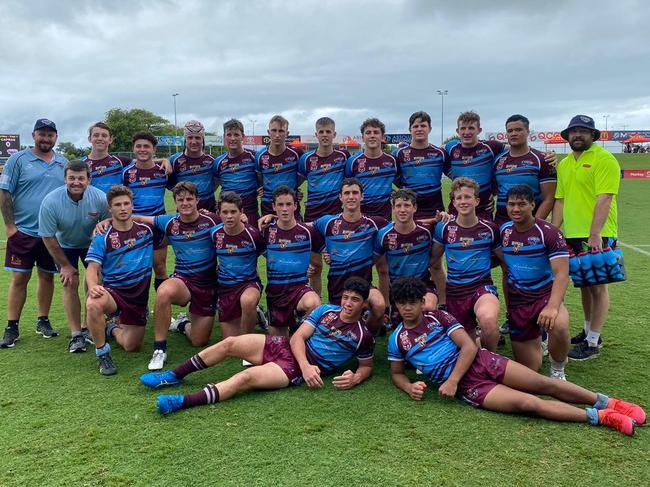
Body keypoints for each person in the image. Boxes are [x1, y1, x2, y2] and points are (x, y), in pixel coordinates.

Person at [387, 276, 644, 436]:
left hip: (480, 361)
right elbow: (397, 373)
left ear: (422, 302)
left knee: (545, 383)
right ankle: (601, 417)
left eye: (412, 302)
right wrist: (409, 387)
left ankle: (609, 403)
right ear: (396, 305)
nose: (407, 308)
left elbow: (468, 347)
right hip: (471, 386)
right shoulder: (397, 338)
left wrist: (451, 380)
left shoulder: (438, 317)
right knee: (530, 404)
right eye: (401, 303)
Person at [139, 277, 375, 415]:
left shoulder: (363, 335)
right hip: (288, 349)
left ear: (364, 304)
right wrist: (304, 365)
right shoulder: (326, 311)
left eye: (354, 300)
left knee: (245, 377)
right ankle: (173, 375)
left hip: (291, 370)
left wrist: (356, 378)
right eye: (345, 297)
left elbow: (366, 365)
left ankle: (182, 401)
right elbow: (297, 338)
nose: (347, 303)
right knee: (229, 343)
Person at [552, 115, 621, 361]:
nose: (578, 135)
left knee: (598, 286)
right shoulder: (565, 163)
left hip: (597, 234)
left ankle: (592, 342)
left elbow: (605, 198)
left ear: (593, 135)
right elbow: (560, 200)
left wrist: (595, 234)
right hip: (572, 233)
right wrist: (553, 229)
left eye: (583, 131)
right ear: (568, 136)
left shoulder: (605, 159)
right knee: (584, 284)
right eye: (574, 131)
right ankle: (589, 330)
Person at [0, 119, 67, 348]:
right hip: (24, 232)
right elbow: (5, 193)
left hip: (52, 234)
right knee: (20, 278)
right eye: (42, 134)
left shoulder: (63, 162)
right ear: (33, 135)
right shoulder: (18, 159)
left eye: (50, 134)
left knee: (47, 277)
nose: (46, 138)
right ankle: (12, 326)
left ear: (56, 137)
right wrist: (10, 227)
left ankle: (43, 320)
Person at [144, 182, 221, 370]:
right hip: (183, 280)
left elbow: (232, 224)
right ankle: (160, 349)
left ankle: (181, 324)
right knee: (163, 292)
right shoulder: (169, 222)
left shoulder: (212, 220)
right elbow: (141, 219)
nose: (185, 203)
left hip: (208, 284)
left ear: (197, 200)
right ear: (175, 202)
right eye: (180, 200)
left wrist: (242, 216)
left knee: (198, 341)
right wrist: (110, 220)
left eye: (189, 199)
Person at [84, 186, 158, 375]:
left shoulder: (147, 230)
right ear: (110, 208)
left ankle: (112, 328)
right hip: (114, 293)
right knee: (93, 303)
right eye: (118, 205)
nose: (123, 208)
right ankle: (102, 354)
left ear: (133, 206)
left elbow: (180, 227)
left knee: (131, 346)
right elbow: (92, 268)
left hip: (138, 298)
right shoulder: (102, 236)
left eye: (126, 203)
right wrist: (93, 287)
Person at [498, 185, 570, 378]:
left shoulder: (549, 232)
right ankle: (541, 340)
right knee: (531, 368)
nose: (516, 209)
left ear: (532, 205)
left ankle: (557, 369)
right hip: (519, 301)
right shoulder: (503, 231)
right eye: (511, 204)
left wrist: (553, 307)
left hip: (544, 296)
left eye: (521, 204)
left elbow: (562, 274)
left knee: (560, 325)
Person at [38, 160, 110, 353]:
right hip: (65, 246)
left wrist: (102, 228)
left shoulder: (100, 197)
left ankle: (88, 327)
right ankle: (76, 334)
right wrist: (65, 266)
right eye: (71, 178)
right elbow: (47, 236)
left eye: (80, 178)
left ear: (89, 179)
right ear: (65, 179)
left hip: (91, 245)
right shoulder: (51, 201)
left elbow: (108, 224)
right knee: (70, 282)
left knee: (95, 281)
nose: (76, 182)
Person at [432, 178, 500, 351]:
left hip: (481, 287)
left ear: (477, 200)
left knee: (489, 321)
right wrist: (441, 296)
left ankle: (490, 362)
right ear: (453, 202)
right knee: (466, 348)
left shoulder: (490, 228)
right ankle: (477, 348)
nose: (463, 201)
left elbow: (505, 260)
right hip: (455, 292)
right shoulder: (444, 228)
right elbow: (433, 261)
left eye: (468, 197)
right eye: (459, 198)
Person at [312, 178, 387, 333]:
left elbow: (402, 224)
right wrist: (272, 218)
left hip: (364, 285)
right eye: (347, 193)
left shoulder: (374, 223)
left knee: (379, 305)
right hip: (337, 287)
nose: (351, 197)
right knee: (338, 331)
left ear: (362, 196)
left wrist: (437, 219)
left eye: (355, 193)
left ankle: (367, 337)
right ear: (340, 197)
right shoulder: (327, 223)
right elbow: (300, 228)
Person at [393, 111, 448, 306]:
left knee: (434, 263)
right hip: (410, 215)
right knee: (410, 259)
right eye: (415, 126)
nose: (419, 129)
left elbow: (457, 175)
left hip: (435, 214)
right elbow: (395, 177)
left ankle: (442, 303)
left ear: (429, 129)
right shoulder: (400, 154)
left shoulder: (439, 153)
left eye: (423, 125)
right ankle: (406, 300)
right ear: (410, 130)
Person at [298, 117, 349, 296]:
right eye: (321, 132)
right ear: (316, 135)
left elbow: (350, 183)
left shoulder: (343, 157)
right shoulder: (306, 159)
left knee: (339, 265)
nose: (325, 135)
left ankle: (340, 305)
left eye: (328, 132)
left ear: (334, 134)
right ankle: (315, 307)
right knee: (315, 267)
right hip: (312, 218)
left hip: (337, 219)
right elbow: (296, 182)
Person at [262, 186, 321, 336]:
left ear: (295, 205)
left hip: (298, 290)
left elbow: (319, 262)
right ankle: (266, 318)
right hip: (275, 293)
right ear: (274, 207)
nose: (285, 209)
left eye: (289, 204)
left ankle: (298, 326)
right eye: (280, 205)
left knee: (314, 304)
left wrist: (315, 267)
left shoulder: (308, 231)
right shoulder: (265, 230)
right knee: (279, 347)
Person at [374, 189, 438, 325]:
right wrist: (386, 306)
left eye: (407, 205)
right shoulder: (383, 235)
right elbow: (380, 270)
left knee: (428, 308)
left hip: (423, 284)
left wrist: (442, 217)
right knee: (402, 323)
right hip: (397, 287)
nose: (402, 210)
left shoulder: (427, 231)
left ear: (414, 208)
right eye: (398, 206)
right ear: (393, 208)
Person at [213, 192, 265, 337]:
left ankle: (247, 340)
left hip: (248, 284)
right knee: (229, 338)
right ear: (219, 214)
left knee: (248, 301)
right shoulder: (215, 234)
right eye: (225, 212)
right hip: (226, 288)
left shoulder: (253, 235)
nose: (229, 216)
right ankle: (256, 313)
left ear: (241, 212)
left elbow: (268, 254)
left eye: (233, 212)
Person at [121, 131, 169, 289]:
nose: (142, 149)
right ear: (134, 149)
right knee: (135, 269)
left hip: (157, 225)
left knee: (160, 267)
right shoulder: (127, 173)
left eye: (147, 146)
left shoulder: (164, 171)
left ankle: (163, 310)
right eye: (139, 146)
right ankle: (139, 310)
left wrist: (165, 160)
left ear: (154, 150)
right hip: (134, 225)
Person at [493, 114, 556, 226]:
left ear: (528, 132)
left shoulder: (543, 159)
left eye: (518, 130)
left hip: (528, 225)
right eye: (510, 131)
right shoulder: (498, 160)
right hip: (501, 224)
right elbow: (493, 189)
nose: (513, 133)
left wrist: (533, 224)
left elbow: (549, 198)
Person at [444, 111, 505, 220]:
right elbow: (435, 151)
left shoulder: (490, 147)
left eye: (471, 128)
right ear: (457, 131)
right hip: (457, 209)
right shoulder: (451, 147)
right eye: (463, 128)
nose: (466, 132)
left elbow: (515, 149)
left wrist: (545, 155)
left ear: (479, 130)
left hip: (483, 209)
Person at [345, 118, 397, 221]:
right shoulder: (352, 161)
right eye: (368, 133)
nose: (372, 135)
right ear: (363, 137)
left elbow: (401, 181)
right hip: (359, 218)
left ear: (382, 137)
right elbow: (346, 187)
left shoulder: (392, 161)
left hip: (385, 217)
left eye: (376, 132)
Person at [256, 115, 303, 218]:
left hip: (290, 208)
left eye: (281, 131)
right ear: (268, 132)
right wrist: (260, 188)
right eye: (274, 130)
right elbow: (259, 178)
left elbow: (303, 176)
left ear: (287, 134)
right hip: (268, 207)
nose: (277, 135)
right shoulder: (260, 156)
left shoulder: (297, 154)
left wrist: (295, 189)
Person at [214, 119, 260, 226]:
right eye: (229, 135)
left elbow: (262, 181)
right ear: (224, 137)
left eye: (236, 134)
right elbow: (213, 187)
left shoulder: (254, 157)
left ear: (242, 136)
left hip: (250, 214)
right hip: (227, 216)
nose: (233, 138)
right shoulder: (218, 162)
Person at [168, 120, 218, 212]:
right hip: (185, 214)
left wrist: (205, 193)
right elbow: (170, 184)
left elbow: (216, 182)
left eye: (197, 138)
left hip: (210, 211)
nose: (193, 141)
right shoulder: (174, 161)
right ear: (185, 139)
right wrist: (186, 196)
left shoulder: (212, 160)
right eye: (190, 137)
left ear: (202, 139)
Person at [82, 122, 132, 194]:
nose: (100, 138)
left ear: (110, 139)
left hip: (115, 205)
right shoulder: (81, 164)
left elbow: (144, 164)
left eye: (104, 136)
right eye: (96, 135)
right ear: (90, 139)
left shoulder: (122, 162)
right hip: (92, 205)